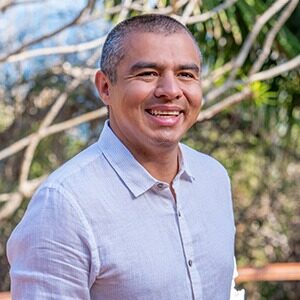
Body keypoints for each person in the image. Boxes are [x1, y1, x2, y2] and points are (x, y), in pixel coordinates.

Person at [7, 14, 244, 299]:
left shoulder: (213, 177)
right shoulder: (63, 205)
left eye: (186, 74)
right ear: (106, 87)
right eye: (148, 73)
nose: (170, 90)